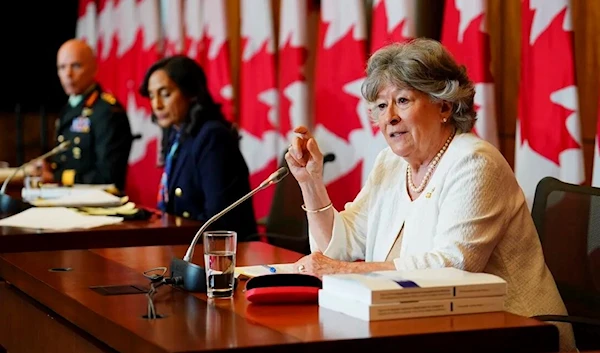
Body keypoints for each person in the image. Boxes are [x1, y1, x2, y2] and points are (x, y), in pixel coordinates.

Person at [286, 38, 576, 351]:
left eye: (403, 101)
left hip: (514, 333)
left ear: (444, 106)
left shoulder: (475, 162)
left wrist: (345, 271)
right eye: (382, 106)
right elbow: (340, 246)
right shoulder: (390, 164)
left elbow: (452, 267)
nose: (390, 117)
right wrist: (311, 182)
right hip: (425, 327)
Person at [139, 55, 257, 240]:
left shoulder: (212, 137)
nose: (157, 105)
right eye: (152, 95)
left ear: (191, 93)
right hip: (186, 244)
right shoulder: (178, 134)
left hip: (221, 252)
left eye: (165, 94)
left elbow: (218, 220)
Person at [30, 39, 133, 192]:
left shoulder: (107, 112)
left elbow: (109, 177)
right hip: (67, 198)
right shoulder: (69, 108)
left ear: (94, 68)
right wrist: (48, 167)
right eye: (62, 67)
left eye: (76, 66)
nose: (68, 74)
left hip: (98, 206)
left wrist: (57, 177)